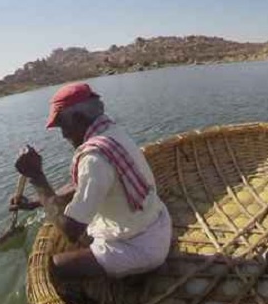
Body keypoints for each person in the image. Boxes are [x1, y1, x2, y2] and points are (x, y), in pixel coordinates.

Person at [11, 82, 171, 280]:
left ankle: (129, 279)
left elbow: (70, 230)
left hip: (140, 248)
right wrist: (36, 201)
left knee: (52, 268)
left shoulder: (94, 159)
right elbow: (85, 185)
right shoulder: (111, 132)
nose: (63, 135)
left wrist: (36, 177)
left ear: (78, 118)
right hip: (160, 225)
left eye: (63, 126)